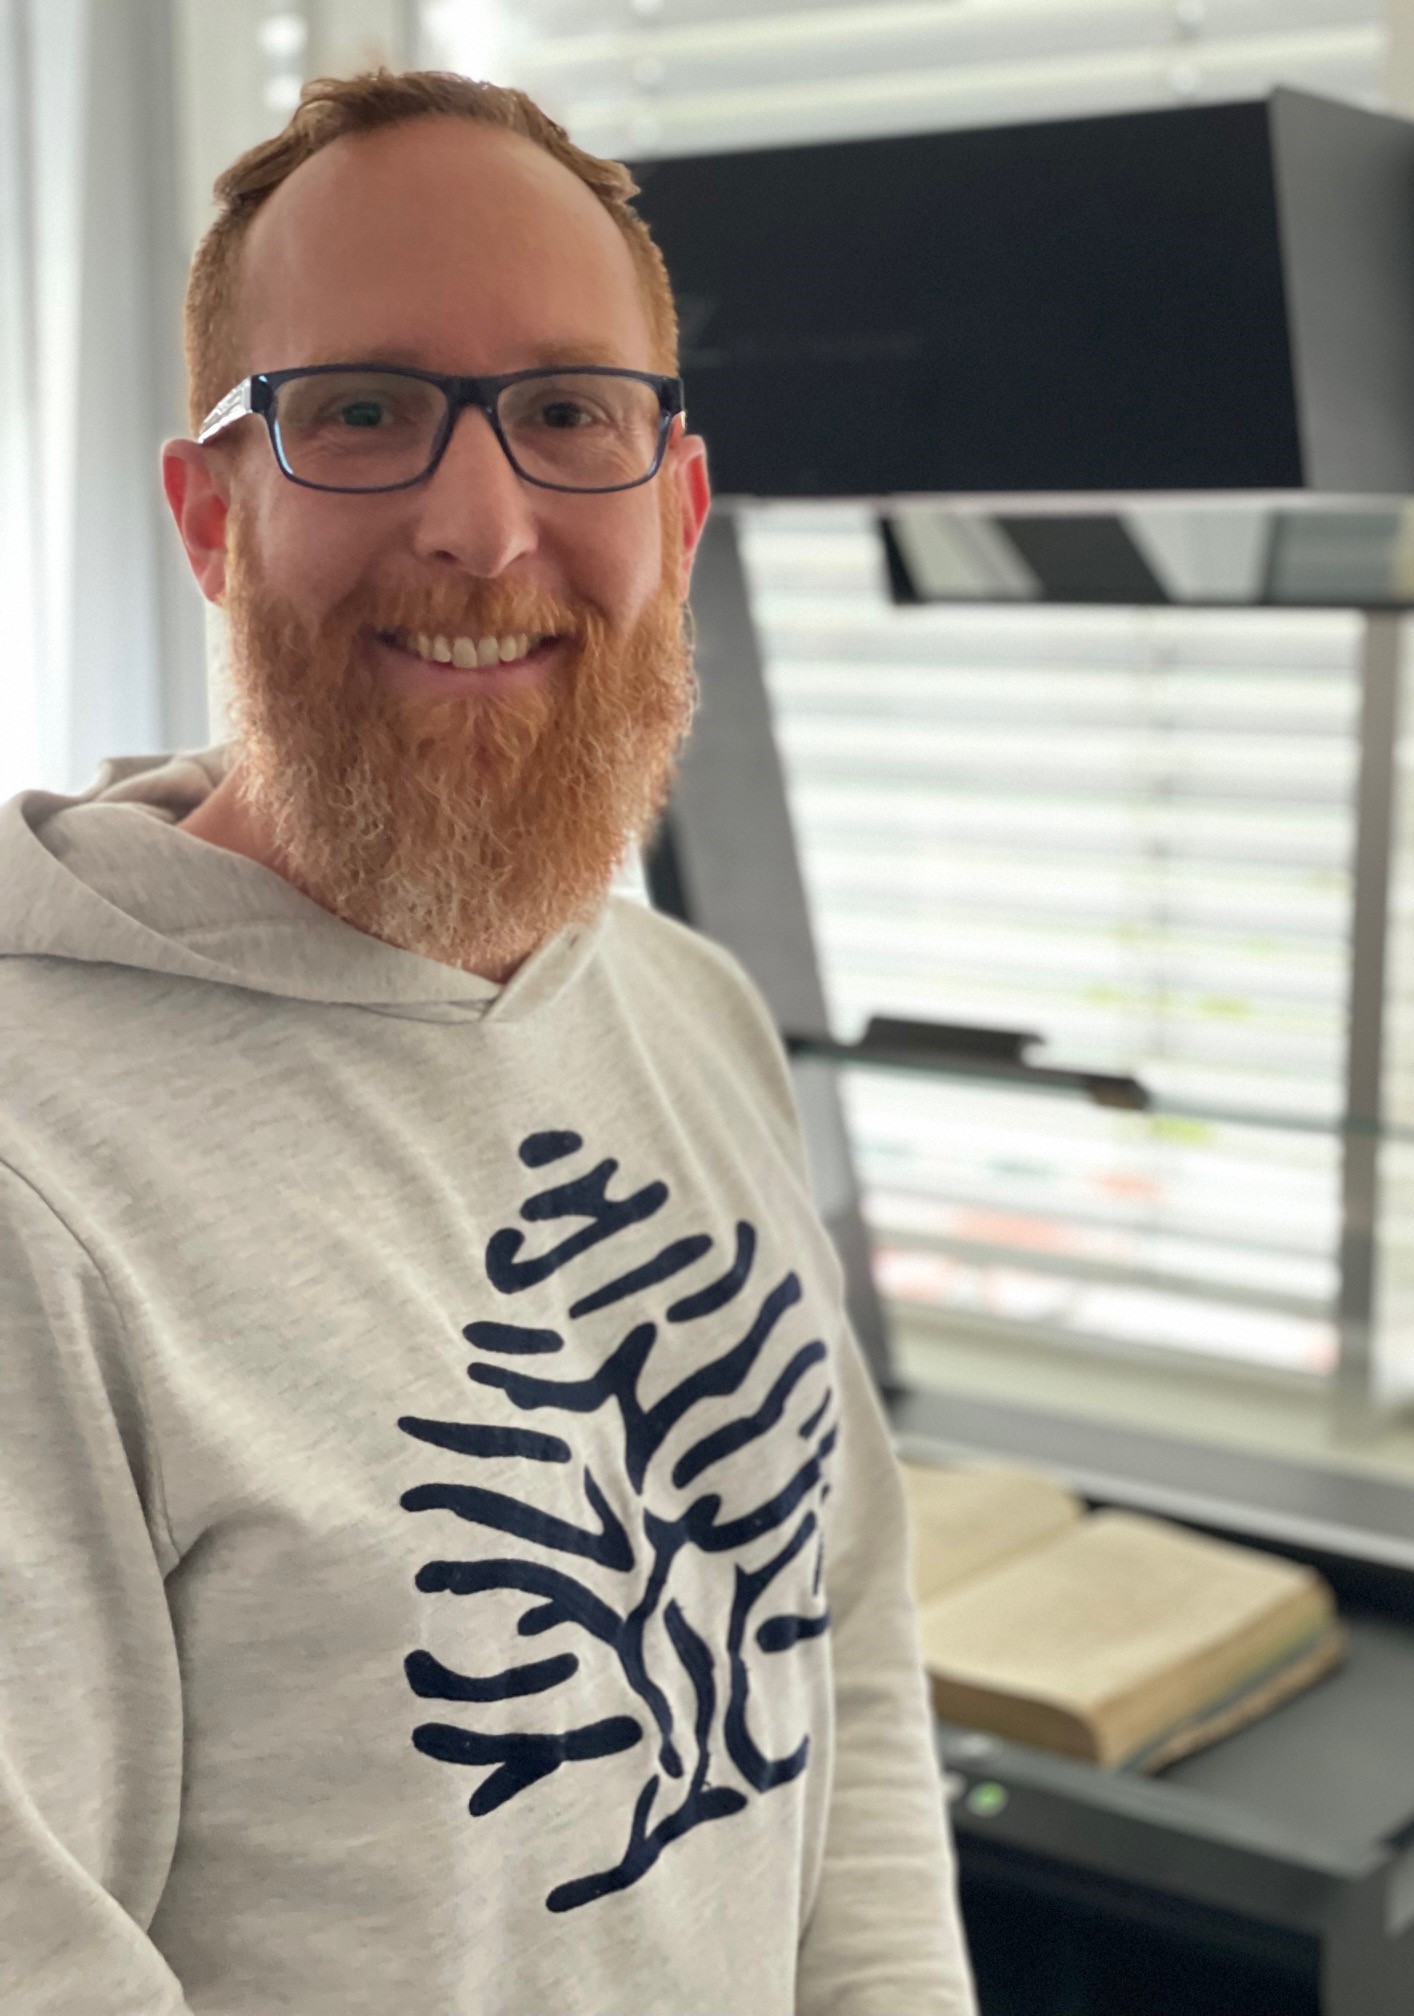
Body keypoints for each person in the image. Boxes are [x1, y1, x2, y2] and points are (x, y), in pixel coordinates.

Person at [0, 68, 977, 2016]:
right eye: (358, 412)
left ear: (675, 511)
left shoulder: (688, 1010)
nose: (480, 520)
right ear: (211, 514)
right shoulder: (39, 1184)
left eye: (566, 415)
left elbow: (841, 1644)